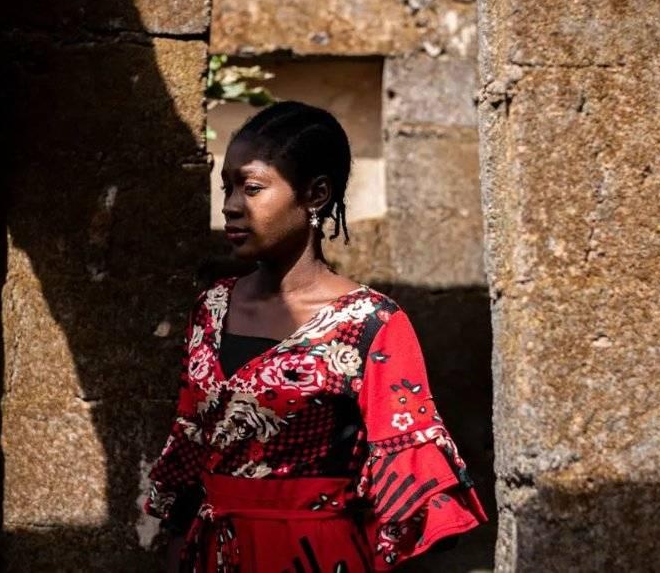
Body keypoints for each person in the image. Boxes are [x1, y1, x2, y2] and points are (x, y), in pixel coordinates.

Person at [142, 101, 488, 571]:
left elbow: (406, 474)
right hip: (211, 553)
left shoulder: (370, 323)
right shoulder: (211, 308)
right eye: (227, 187)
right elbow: (188, 450)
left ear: (316, 194)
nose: (231, 206)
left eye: (252, 188)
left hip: (314, 555)